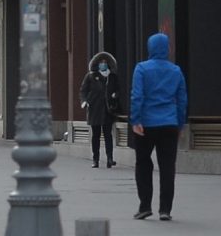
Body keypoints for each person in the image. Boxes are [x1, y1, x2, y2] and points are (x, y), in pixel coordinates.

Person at [127, 31, 188, 220]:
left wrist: (135, 120)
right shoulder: (176, 71)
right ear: (167, 49)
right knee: (168, 166)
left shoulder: (141, 69)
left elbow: (137, 96)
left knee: (143, 163)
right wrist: (179, 124)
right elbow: (182, 100)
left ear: (150, 48)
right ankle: (165, 210)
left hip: (146, 124)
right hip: (169, 123)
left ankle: (145, 205)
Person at [80, 51, 119, 168]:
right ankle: (95, 159)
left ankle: (110, 159)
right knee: (95, 135)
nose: (103, 64)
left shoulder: (112, 77)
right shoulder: (90, 76)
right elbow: (83, 91)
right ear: (97, 64)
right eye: (101, 62)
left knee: (108, 135)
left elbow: (118, 89)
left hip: (108, 109)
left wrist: (115, 95)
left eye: (105, 62)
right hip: (94, 109)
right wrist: (84, 101)